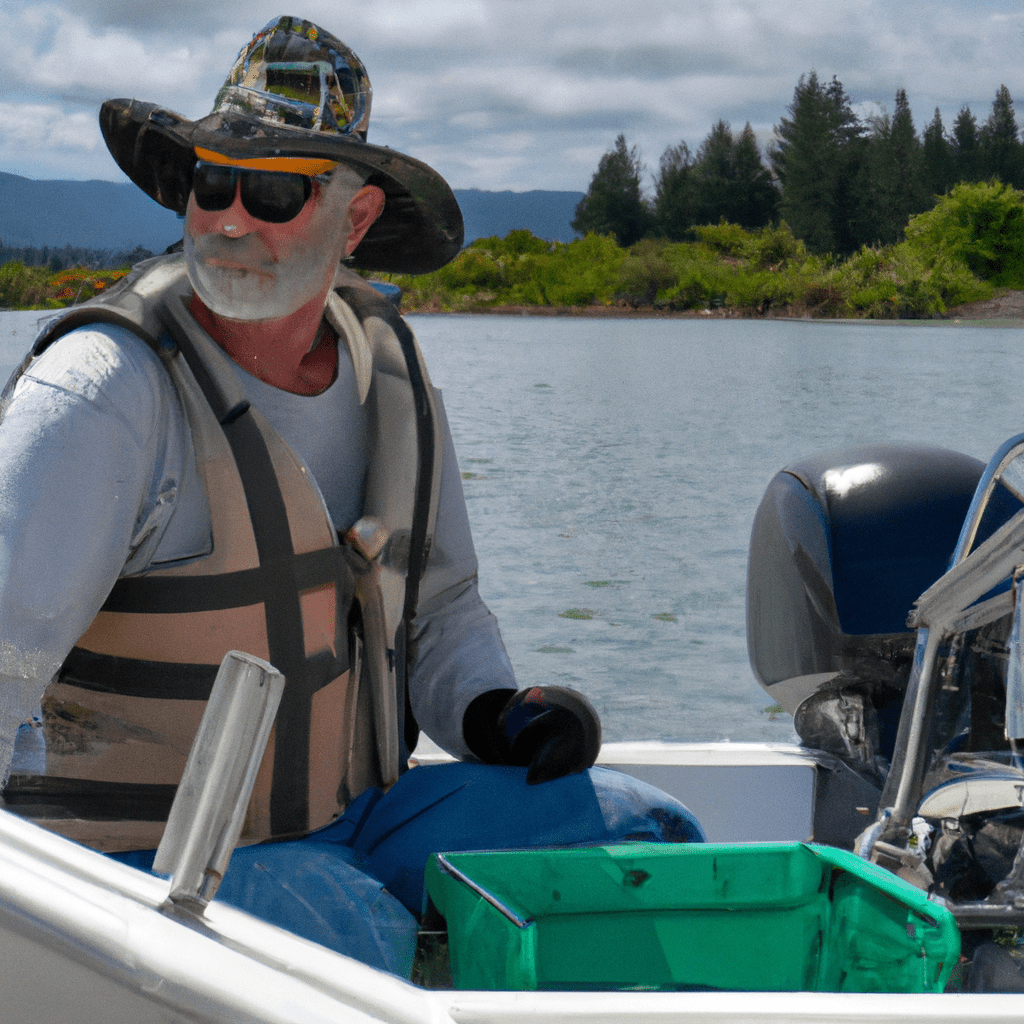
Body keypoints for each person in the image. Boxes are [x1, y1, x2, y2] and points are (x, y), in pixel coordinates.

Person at [0, 16, 702, 975]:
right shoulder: (98, 393)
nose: (231, 218)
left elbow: (440, 610)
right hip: (119, 868)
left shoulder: (392, 375)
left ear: (357, 218)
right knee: (353, 923)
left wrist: (499, 713)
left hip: (346, 818)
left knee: (645, 832)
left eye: (277, 189)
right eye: (211, 181)